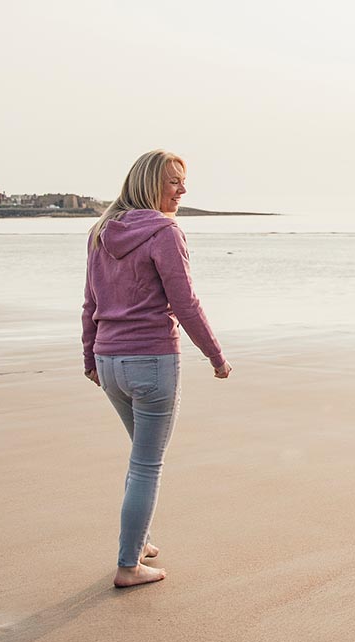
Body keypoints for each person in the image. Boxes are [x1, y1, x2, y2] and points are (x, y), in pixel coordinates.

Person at [82, 149, 231, 588]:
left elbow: (91, 302)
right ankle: (129, 564)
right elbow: (184, 302)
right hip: (150, 361)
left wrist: (89, 355)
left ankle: (139, 539)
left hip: (110, 362)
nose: (182, 191)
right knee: (147, 462)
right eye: (173, 182)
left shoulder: (101, 232)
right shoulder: (165, 232)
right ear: (149, 184)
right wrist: (215, 355)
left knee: (140, 455)